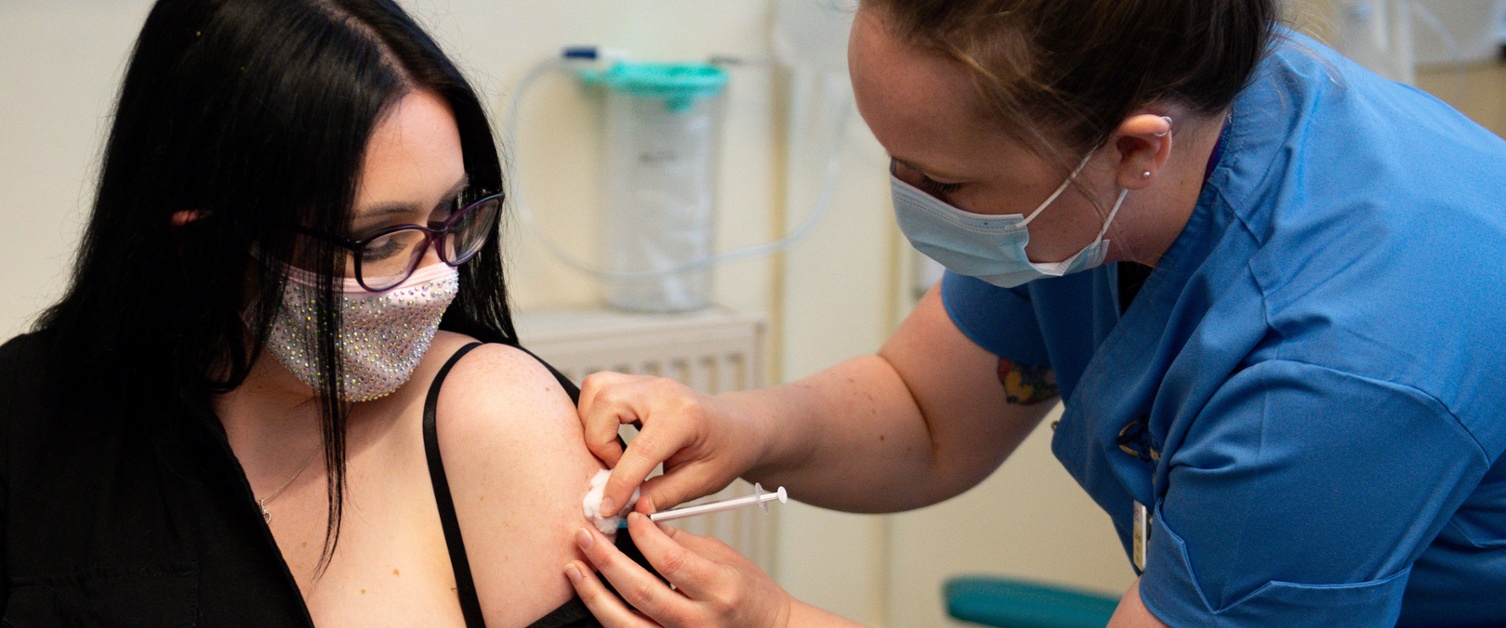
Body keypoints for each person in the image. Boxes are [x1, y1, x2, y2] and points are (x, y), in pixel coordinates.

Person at [563, 0, 1506, 625]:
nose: (911, 201)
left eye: (942, 180)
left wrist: (778, 621)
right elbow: (925, 415)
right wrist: (737, 426)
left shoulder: (1332, 369)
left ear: (1138, 150)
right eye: (893, 159)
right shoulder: (1122, 131)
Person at [0, 0, 649, 625]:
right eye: (380, 240)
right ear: (205, 243)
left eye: (453, 213)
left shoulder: (499, 421)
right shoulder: (34, 418)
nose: (437, 281)